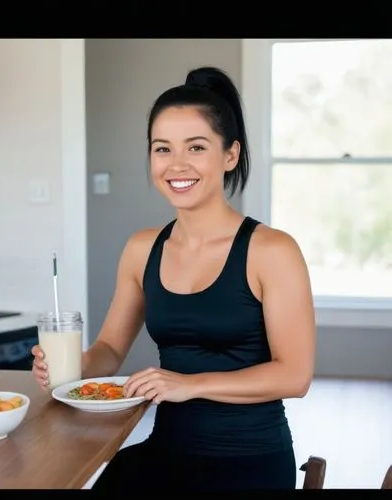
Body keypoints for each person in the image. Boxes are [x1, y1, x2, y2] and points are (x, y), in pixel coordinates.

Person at [31, 66, 316, 491]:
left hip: (249, 461)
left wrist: (188, 384)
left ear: (230, 155)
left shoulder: (272, 251)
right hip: (167, 449)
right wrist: (70, 367)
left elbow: (295, 376)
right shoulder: (142, 248)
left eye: (196, 147)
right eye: (162, 149)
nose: (176, 164)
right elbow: (109, 349)